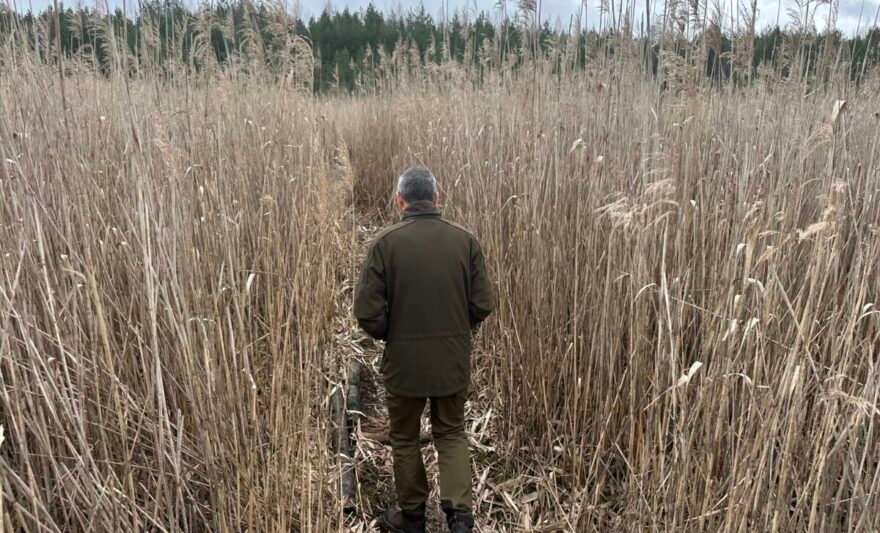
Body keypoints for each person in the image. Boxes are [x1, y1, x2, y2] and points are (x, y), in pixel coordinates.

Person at [354, 165, 494, 533]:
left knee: (404, 437)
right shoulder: (465, 241)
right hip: (452, 363)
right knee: (450, 433)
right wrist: (459, 332)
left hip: (403, 367)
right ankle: (460, 519)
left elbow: (366, 313)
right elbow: (482, 304)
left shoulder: (385, 244)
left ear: (400, 200)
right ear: (437, 197)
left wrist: (391, 334)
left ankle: (413, 518)